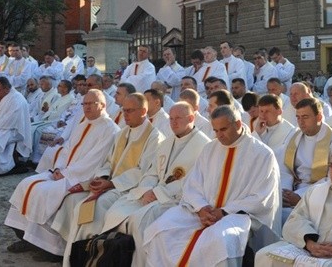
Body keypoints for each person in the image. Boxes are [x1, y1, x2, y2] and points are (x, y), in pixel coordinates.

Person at [144, 105, 281, 266]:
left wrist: (224, 212)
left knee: (221, 241)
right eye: (215, 131)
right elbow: (192, 184)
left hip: (238, 216)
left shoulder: (262, 154)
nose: (219, 135)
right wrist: (201, 208)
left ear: (237, 124)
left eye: (223, 129)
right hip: (203, 213)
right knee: (161, 229)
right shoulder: (210, 148)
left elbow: (262, 197)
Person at [2, 90, 119, 258]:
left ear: (102, 105)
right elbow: (68, 148)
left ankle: (52, 249)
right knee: (26, 184)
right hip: (64, 172)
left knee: (44, 193)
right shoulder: (84, 123)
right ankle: (27, 237)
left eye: (90, 104)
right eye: (84, 104)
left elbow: (94, 160)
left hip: (81, 177)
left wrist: (66, 173)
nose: (86, 107)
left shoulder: (110, 129)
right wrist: (58, 168)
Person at [51, 93, 164, 263]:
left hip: (128, 190)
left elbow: (143, 171)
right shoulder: (122, 133)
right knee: (76, 203)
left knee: (92, 210)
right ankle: (76, 256)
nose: (125, 114)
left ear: (143, 111)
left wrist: (111, 183)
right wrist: (102, 177)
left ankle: (94, 256)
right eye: (123, 110)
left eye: (130, 111)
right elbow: (109, 162)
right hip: (109, 184)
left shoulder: (154, 137)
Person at [97, 102, 211, 267]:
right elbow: (152, 172)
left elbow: (192, 183)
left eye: (178, 118)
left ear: (192, 118)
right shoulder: (167, 141)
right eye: (171, 118)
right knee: (116, 209)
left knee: (139, 221)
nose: (173, 122)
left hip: (176, 200)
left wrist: (157, 193)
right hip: (152, 194)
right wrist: (146, 191)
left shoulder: (203, 146)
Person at [280, 97, 332, 222]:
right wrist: (286, 192)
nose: (300, 122)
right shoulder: (293, 136)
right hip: (292, 190)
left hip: (321, 194)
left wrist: (301, 196)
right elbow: (284, 167)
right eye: (298, 117)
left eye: (305, 117)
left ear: (319, 117)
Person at [30, 79, 74, 164]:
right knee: (32, 128)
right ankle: (31, 157)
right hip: (49, 119)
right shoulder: (61, 97)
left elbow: (59, 113)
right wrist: (49, 112)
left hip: (55, 121)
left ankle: (38, 159)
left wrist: (49, 112)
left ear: (65, 89)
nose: (57, 87)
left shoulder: (70, 98)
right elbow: (52, 109)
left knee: (39, 131)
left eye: (60, 86)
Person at [254, 94, 296, 163]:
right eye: (261, 111)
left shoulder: (290, 132)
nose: (263, 115)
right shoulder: (258, 127)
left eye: (267, 111)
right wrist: (256, 134)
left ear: (279, 111)